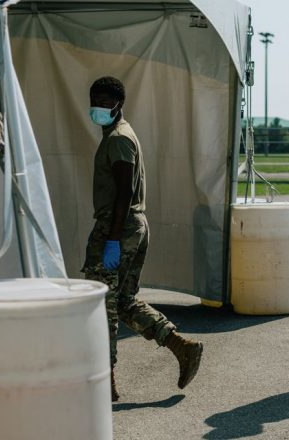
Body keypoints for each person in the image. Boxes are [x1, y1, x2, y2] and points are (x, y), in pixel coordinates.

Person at [82, 76, 203, 401]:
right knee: (123, 301)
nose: (98, 108)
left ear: (119, 104)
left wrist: (111, 238)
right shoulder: (118, 134)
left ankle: (103, 382)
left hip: (118, 228)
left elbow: (123, 192)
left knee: (101, 307)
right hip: (131, 226)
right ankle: (181, 346)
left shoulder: (119, 138)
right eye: (95, 101)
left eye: (105, 102)